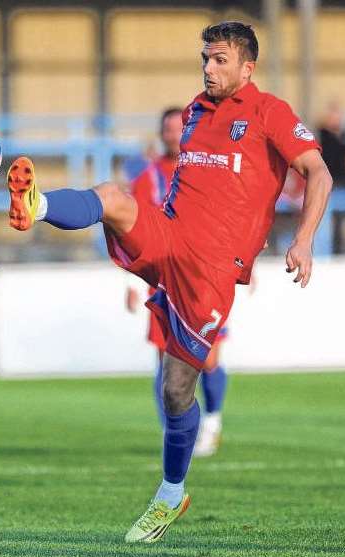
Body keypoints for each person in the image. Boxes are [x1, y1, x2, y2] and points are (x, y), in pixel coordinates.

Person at [6, 21, 332, 542]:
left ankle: (170, 493)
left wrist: (305, 239)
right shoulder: (194, 113)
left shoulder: (270, 112)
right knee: (112, 197)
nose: (209, 68)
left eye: (220, 59)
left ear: (247, 67)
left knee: (176, 389)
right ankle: (35, 204)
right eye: (205, 58)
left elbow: (319, 173)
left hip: (211, 270)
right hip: (170, 234)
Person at [125, 107, 231, 457]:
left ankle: (212, 421)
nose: (174, 135)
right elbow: (126, 229)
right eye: (168, 129)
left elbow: (228, 218)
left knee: (209, 357)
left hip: (205, 276)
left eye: (179, 128)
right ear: (161, 134)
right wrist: (128, 281)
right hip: (163, 280)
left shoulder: (209, 170)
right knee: (165, 361)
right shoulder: (148, 179)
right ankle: (175, 435)